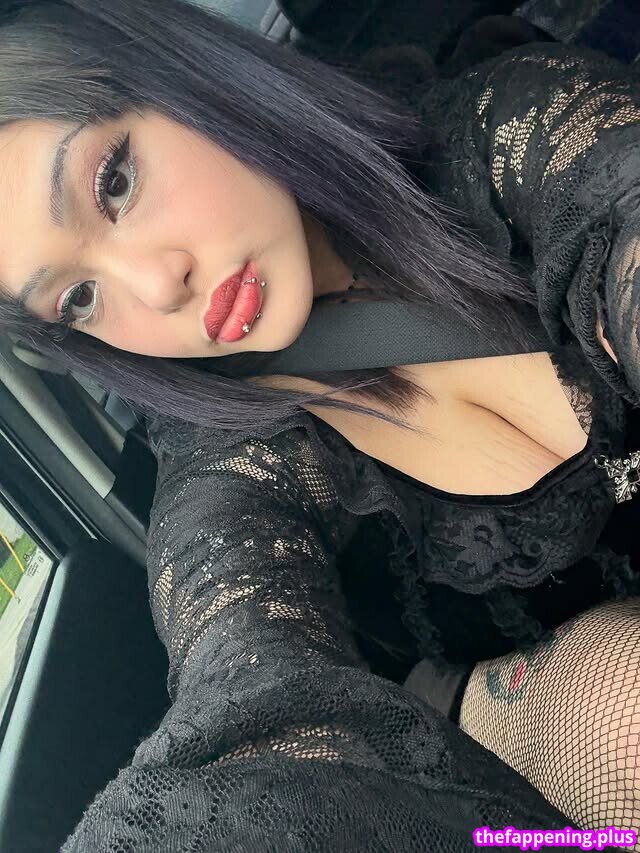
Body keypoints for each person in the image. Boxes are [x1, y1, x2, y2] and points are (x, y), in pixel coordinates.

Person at [0, 0, 636, 848]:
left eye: (114, 182)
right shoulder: (231, 467)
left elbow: (615, 196)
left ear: (184, 77)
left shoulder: (502, 128)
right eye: (80, 298)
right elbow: (242, 678)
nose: (156, 286)